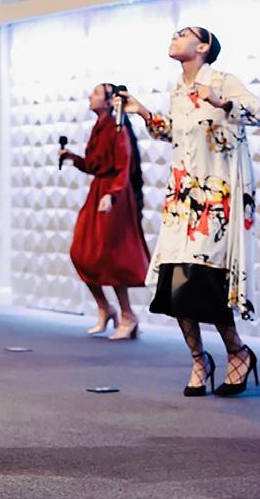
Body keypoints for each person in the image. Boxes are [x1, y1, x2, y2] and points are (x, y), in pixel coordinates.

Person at [116, 27, 260, 397]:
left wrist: (221, 102)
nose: (174, 37)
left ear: (203, 46)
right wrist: (143, 112)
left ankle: (237, 351)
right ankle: (199, 360)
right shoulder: (178, 90)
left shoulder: (222, 80)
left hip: (217, 199)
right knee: (174, 285)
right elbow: (175, 133)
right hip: (181, 200)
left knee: (204, 282)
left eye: (183, 34)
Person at [60, 83, 150, 340]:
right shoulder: (98, 127)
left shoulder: (118, 128)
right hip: (98, 193)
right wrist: (72, 158)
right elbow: (94, 165)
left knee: (112, 256)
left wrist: (112, 194)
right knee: (81, 252)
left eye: (97, 93)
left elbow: (123, 165)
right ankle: (105, 308)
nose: (90, 96)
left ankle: (127, 315)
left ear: (110, 101)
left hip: (114, 196)